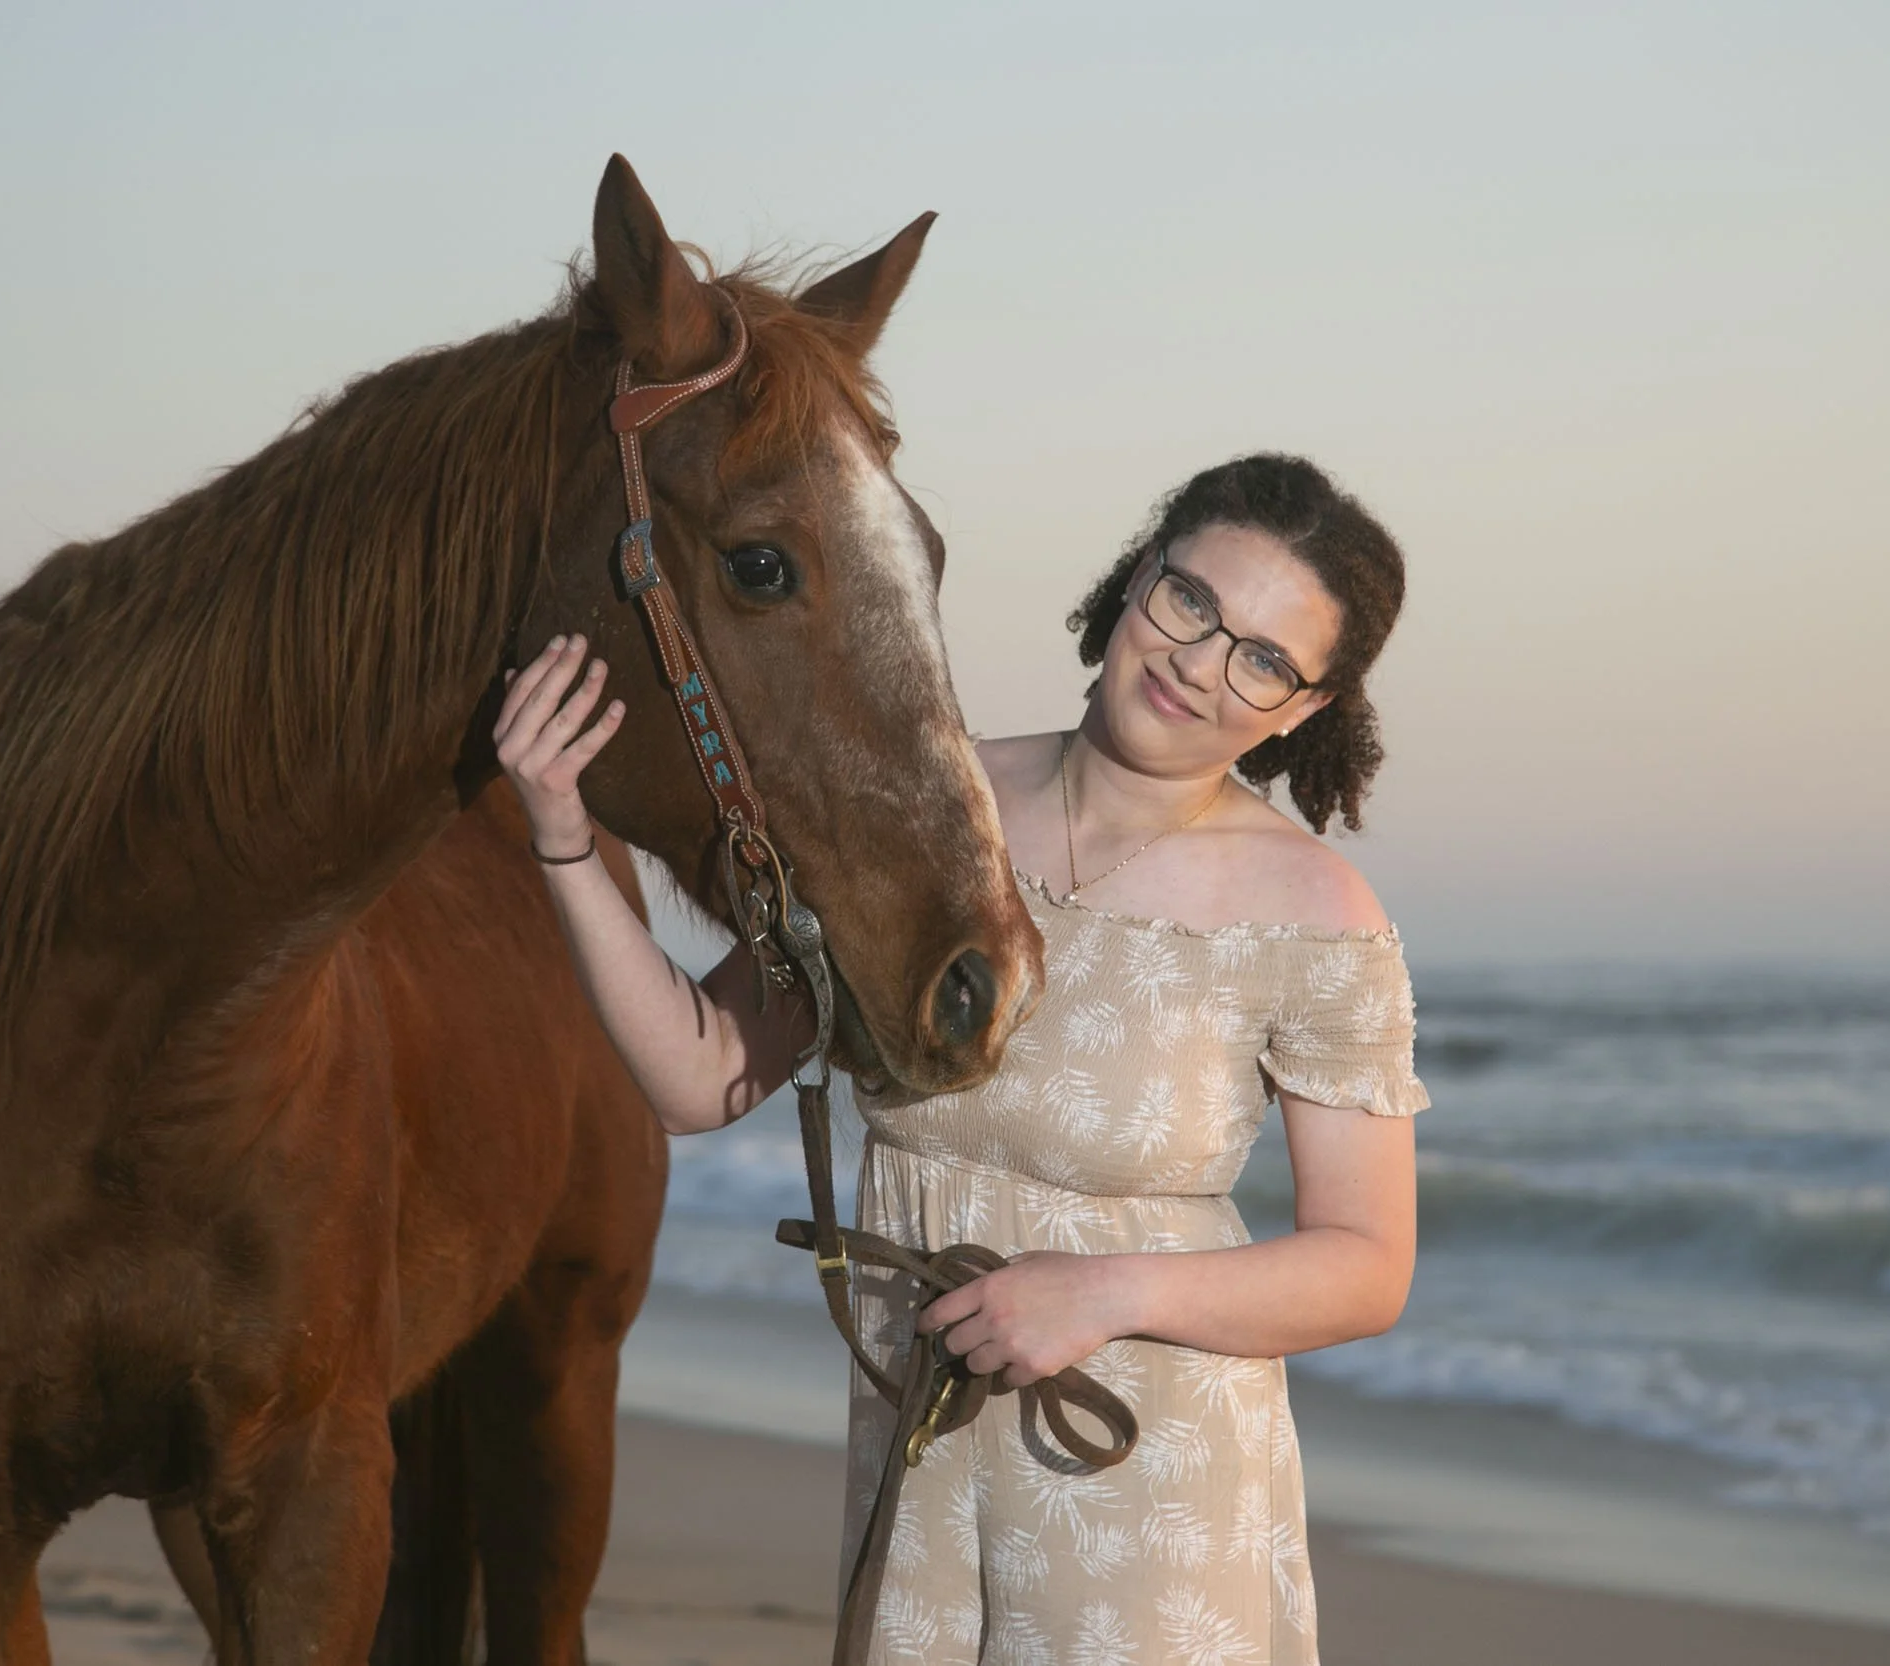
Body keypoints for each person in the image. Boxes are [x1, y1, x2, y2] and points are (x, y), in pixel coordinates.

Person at [495, 452, 1427, 1665]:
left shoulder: (1315, 911)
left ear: (1302, 708)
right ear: (1134, 576)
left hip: (1151, 1481)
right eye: (1189, 600)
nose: (1202, 663)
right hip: (922, 1440)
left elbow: (1366, 1265)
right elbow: (698, 1074)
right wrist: (564, 842)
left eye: (1264, 659)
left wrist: (1102, 1293)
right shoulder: (916, 807)